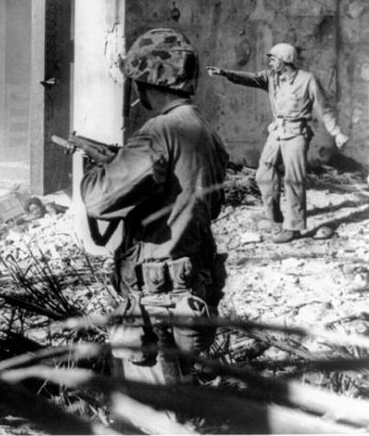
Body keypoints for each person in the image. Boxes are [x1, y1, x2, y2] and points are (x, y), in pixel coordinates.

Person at [80, 28, 229, 389]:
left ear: (146, 80)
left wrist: (96, 169)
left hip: (155, 299)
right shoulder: (203, 130)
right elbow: (199, 201)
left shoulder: (159, 130)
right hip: (191, 286)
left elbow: (98, 200)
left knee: (153, 409)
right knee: (180, 392)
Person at [207, 43, 348, 243]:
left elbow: (324, 109)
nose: (270, 62)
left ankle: (293, 227)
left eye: (273, 58)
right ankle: (274, 218)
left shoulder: (307, 80)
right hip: (277, 132)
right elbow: (252, 78)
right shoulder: (271, 77)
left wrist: (337, 133)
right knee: (264, 172)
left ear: (285, 60)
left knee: (294, 179)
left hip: (296, 134)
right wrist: (225, 73)